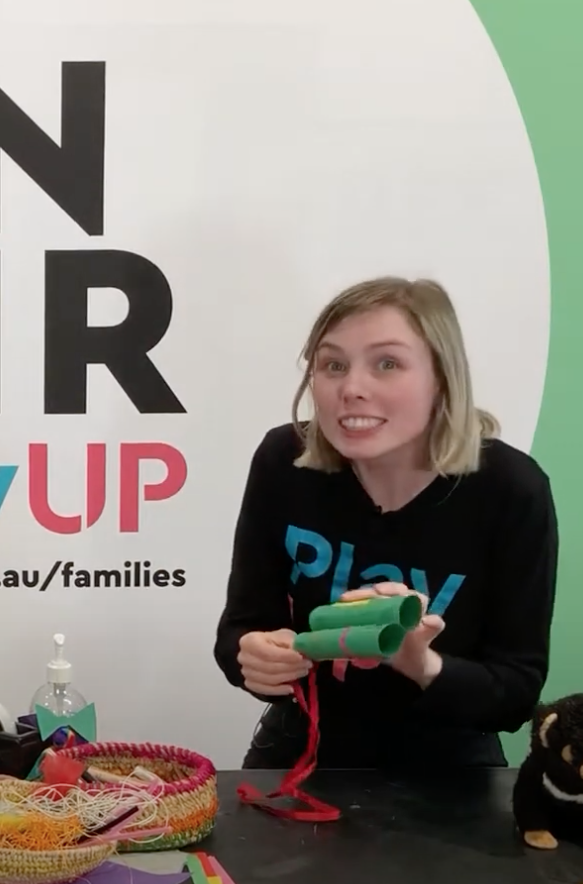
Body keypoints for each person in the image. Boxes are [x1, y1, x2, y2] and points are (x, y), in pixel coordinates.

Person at [212, 276, 559, 772]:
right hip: (300, 750)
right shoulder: (282, 461)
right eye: (333, 365)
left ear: (441, 378)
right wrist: (252, 656)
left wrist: (421, 663)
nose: (351, 389)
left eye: (387, 364)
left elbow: (515, 696)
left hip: (450, 766)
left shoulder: (510, 489)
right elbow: (240, 631)